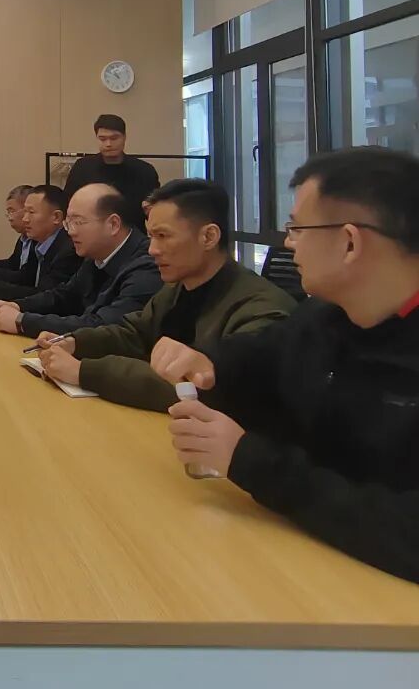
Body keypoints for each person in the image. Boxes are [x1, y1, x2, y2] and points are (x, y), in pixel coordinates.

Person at [151, 147, 419, 584]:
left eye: (297, 228)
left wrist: (250, 462)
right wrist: (207, 364)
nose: (287, 242)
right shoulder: (323, 317)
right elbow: (259, 360)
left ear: (350, 242)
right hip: (296, 557)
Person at [35, 178, 295, 409]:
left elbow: (197, 384)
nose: (152, 249)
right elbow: (134, 333)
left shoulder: (261, 309)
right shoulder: (177, 288)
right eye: (151, 236)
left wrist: (83, 371)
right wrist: (74, 342)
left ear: (208, 237)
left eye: (163, 236)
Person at [0, 183, 161, 338]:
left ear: (113, 224)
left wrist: (22, 321)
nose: (71, 231)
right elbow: (64, 295)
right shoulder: (95, 254)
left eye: (78, 222)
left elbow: (104, 327)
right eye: (68, 223)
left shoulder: (148, 265)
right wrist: (17, 306)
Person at [0, 184, 80, 301]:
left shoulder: (68, 251)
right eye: (25, 212)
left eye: (31, 212)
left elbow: (45, 297)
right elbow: (25, 279)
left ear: (56, 217)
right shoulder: (39, 244)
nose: (25, 219)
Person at [63, 114, 160, 229]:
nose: (108, 144)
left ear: (124, 137)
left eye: (114, 138)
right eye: (102, 139)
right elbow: (68, 203)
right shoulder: (82, 167)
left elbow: (155, 212)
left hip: (133, 234)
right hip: (91, 233)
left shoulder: (144, 171)